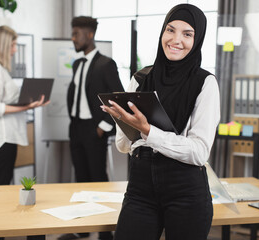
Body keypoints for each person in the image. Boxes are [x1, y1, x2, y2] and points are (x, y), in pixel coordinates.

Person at [101, 4, 220, 240]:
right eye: (170, 30)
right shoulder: (141, 78)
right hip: (140, 186)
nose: (176, 40)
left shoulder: (205, 83)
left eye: (187, 34)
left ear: (197, 40)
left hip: (185, 190)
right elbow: (124, 146)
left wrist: (147, 130)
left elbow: (199, 152)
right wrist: (122, 121)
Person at [0, 26, 49, 240]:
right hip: (0, 138)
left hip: (5, 137)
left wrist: (30, 102)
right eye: (14, 45)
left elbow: (6, 101)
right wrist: (27, 107)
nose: (15, 50)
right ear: (4, 45)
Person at [64, 16, 124, 240]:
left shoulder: (106, 64)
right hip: (76, 128)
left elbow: (117, 99)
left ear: (89, 35)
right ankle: (84, 227)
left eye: (76, 33)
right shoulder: (77, 63)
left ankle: (104, 233)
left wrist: (103, 126)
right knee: (80, 178)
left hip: (94, 129)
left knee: (98, 180)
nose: (73, 38)